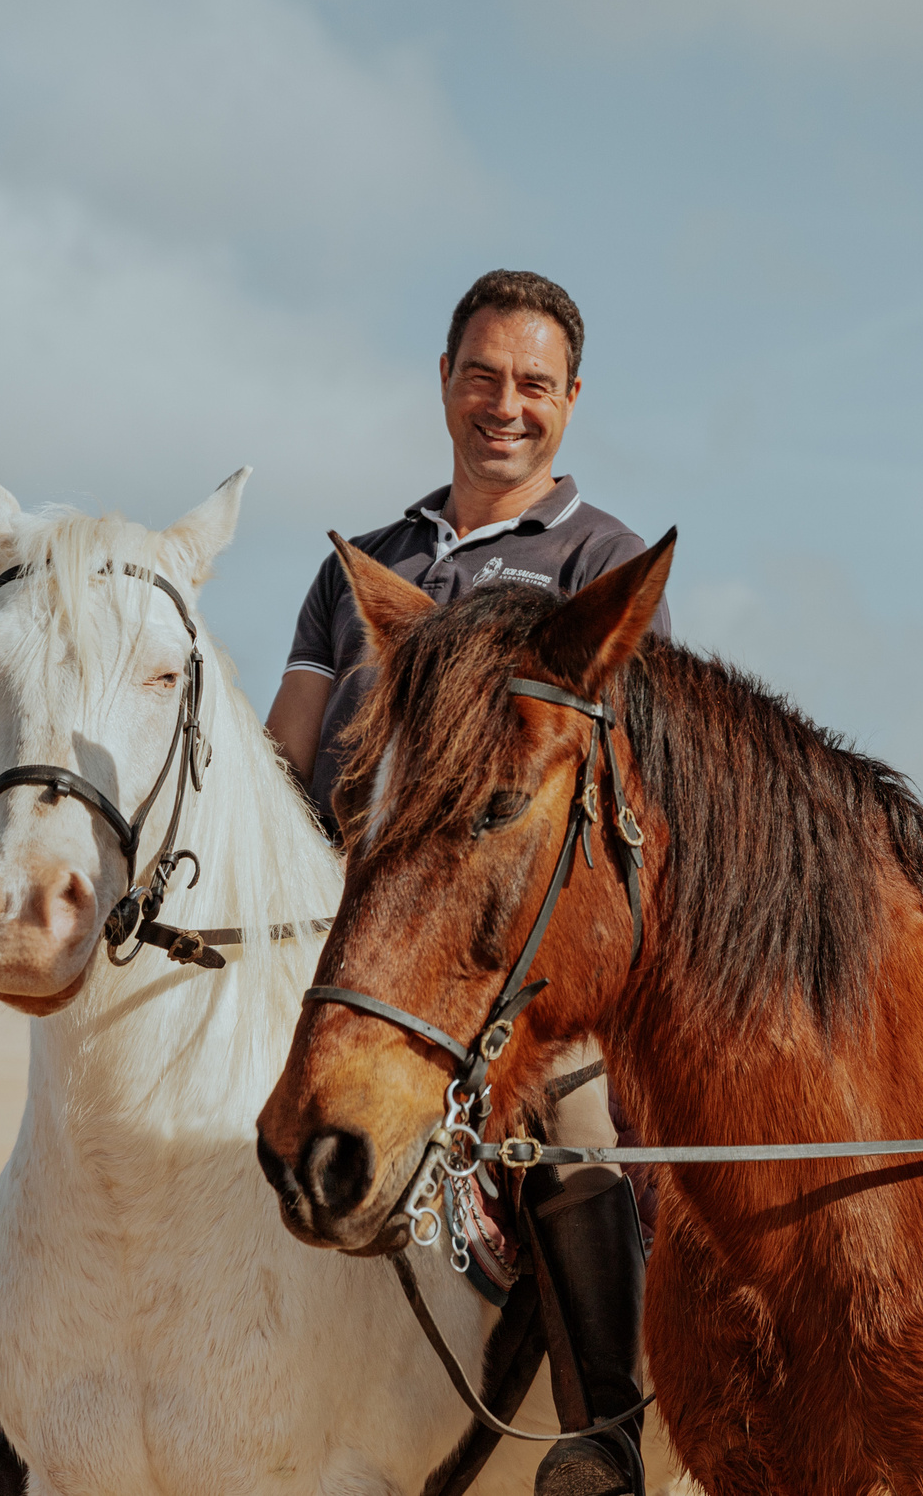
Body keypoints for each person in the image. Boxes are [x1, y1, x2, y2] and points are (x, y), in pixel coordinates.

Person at [267, 267, 658, 1496]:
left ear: (571, 402)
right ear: (444, 383)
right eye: (482, 376)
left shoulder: (602, 560)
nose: (505, 405)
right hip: (341, 932)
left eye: (533, 385)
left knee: (578, 1124)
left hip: (501, 952)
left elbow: (612, 794)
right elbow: (287, 754)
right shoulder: (360, 566)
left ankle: (604, 1434)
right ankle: (15, 1429)